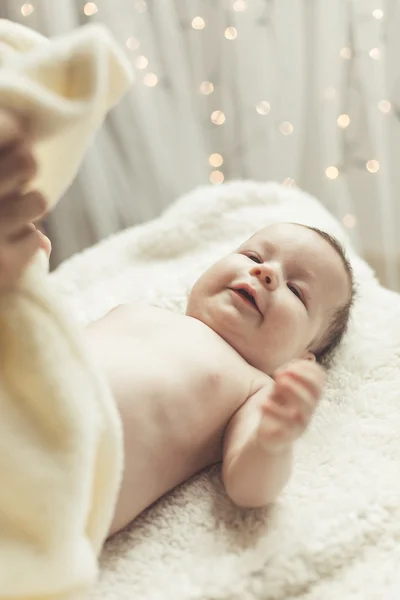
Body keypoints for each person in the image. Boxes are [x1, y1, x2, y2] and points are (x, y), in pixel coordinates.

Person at [0, 109, 355, 538]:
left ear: (302, 357)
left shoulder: (254, 385)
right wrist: (26, 284)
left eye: (297, 291)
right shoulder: (137, 311)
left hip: (52, 486)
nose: (267, 274)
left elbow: (249, 488)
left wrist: (273, 440)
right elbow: (47, 345)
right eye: (254, 257)